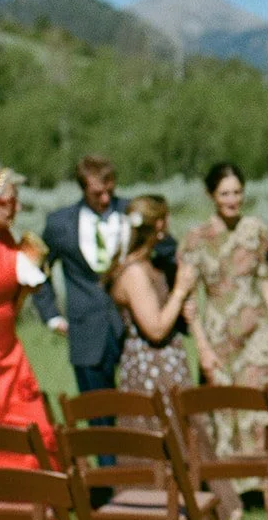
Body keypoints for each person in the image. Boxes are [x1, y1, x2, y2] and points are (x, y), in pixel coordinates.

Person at [33, 154, 178, 393]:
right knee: (99, 417)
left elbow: (169, 252)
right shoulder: (60, 224)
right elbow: (38, 269)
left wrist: (168, 299)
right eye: (97, 193)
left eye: (110, 191)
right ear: (83, 189)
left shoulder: (133, 212)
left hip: (136, 333)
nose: (105, 198)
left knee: (142, 411)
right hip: (87, 334)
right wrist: (51, 316)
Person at [180, 162, 268, 483]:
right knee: (224, 411)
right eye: (225, 193)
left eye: (237, 192)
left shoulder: (254, 230)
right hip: (217, 335)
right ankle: (231, 494)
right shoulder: (196, 239)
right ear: (211, 195)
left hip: (256, 331)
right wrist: (202, 346)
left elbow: (266, 277)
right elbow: (188, 299)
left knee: (261, 407)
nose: (232, 199)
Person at [0, 166, 60, 520]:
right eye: (7, 202)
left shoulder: (10, 240)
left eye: (16, 202)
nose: (15, 209)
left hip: (10, 355)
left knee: (34, 430)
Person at [106, 196, 198, 424]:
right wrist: (179, 290)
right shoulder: (134, 272)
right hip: (151, 371)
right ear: (158, 224)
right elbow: (155, 329)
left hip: (167, 365)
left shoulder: (151, 264)